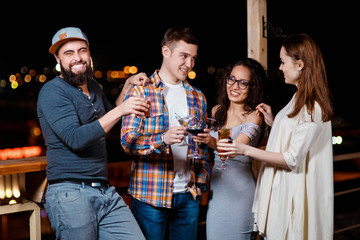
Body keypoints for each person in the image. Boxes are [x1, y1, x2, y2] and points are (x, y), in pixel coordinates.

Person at [217, 33, 334, 240]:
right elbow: (294, 136)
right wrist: (274, 122)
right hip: (283, 192)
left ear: (300, 65)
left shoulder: (312, 106)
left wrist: (244, 149)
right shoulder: (298, 98)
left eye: (282, 62)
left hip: (293, 195)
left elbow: (291, 159)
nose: (280, 68)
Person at [37, 27, 147, 240]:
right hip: (70, 193)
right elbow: (76, 139)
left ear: (89, 54)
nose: (77, 58)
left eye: (82, 50)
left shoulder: (94, 86)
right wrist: (122, 109)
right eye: (68, 53)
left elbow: (107, 121)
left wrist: (126, 87)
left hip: (105, 191)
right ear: (57, 58)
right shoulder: (53, 91)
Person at [121, 27, 209, 240]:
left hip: (188, 196)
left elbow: (202, 146)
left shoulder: (198, 97)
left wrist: (200, 183)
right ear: (166, 51)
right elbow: (127, 142)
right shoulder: (141, 91)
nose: (189, 64)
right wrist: (162, 139)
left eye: (193, 58)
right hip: (150, 197)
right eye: (184, 56)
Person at [193, 58, 267, 239]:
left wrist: (209, 140)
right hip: (217, 191)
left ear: (253, 87)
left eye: (243, 83)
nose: (235, 86)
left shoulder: (254, 116)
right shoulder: (217, 111)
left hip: (241, 194)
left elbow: (231, 148)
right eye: (232, 79)